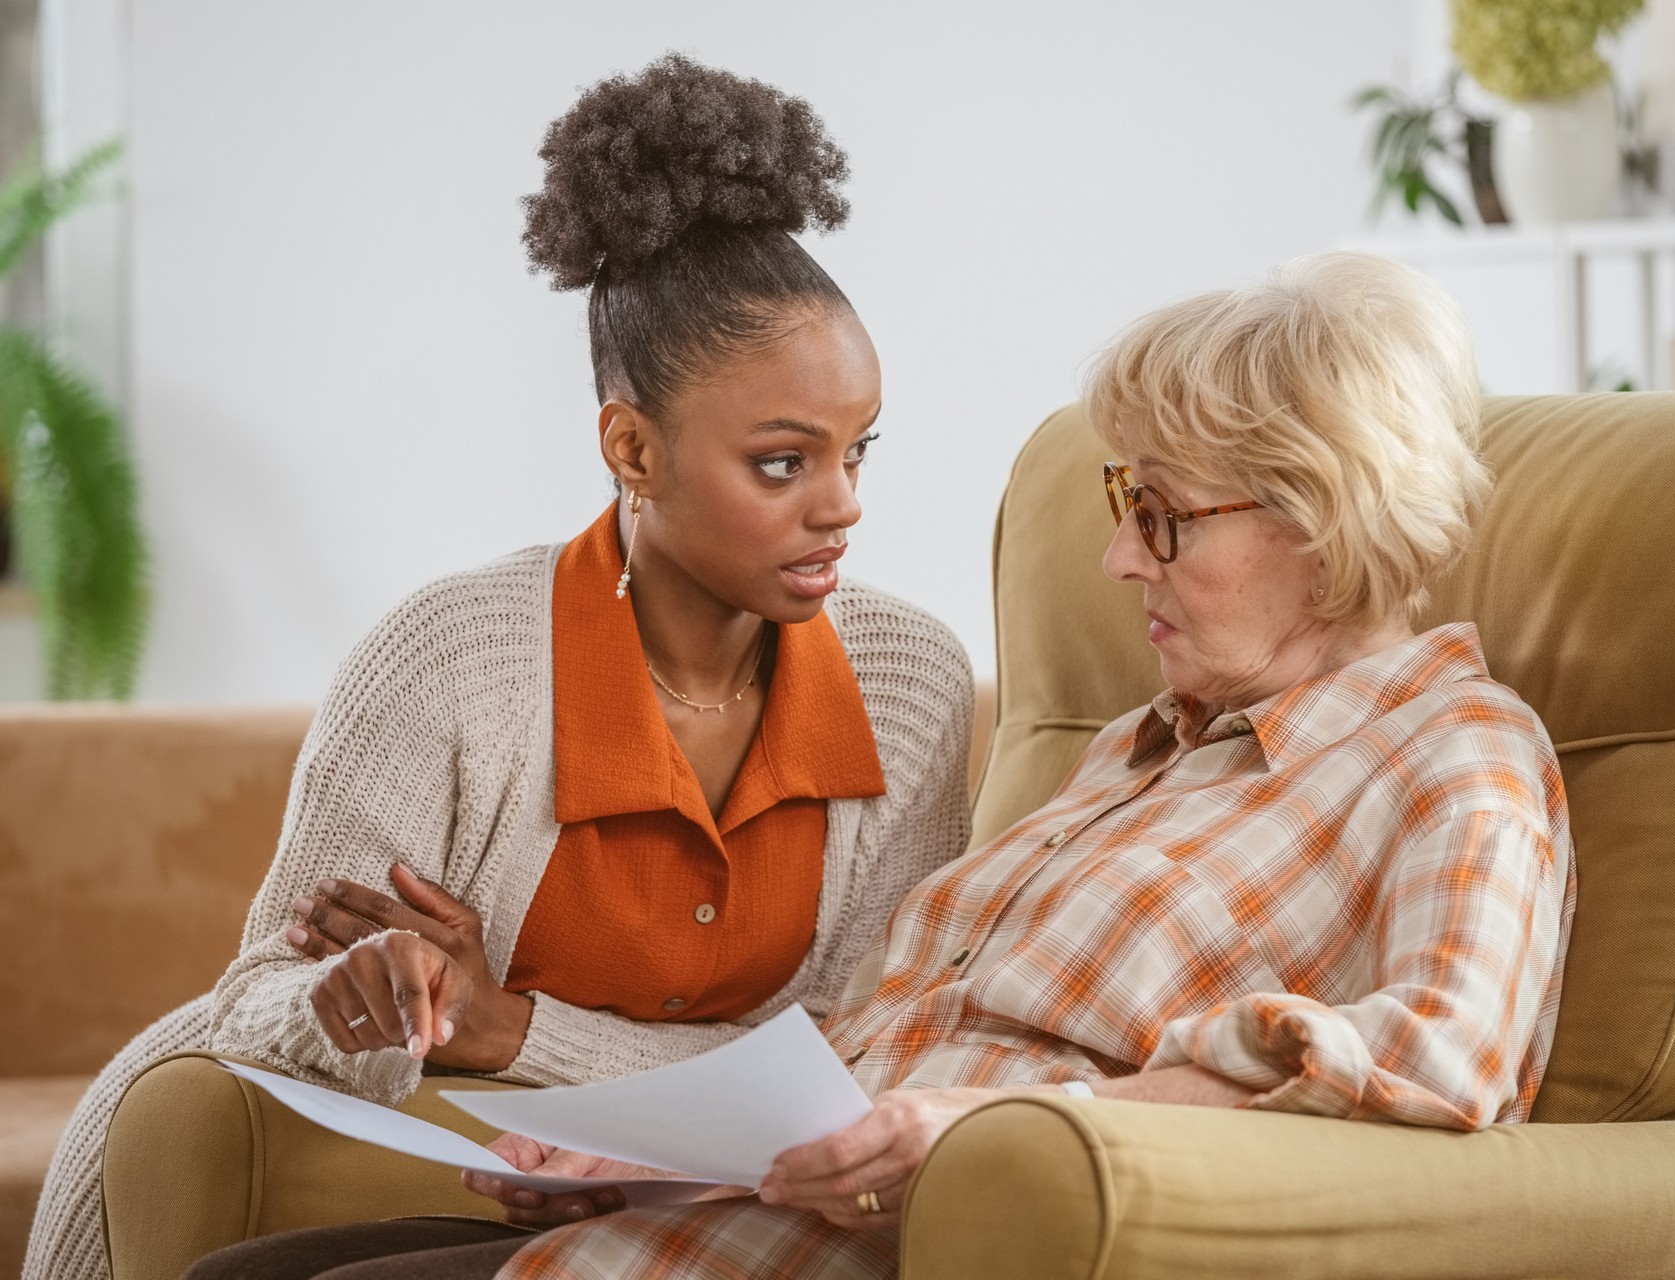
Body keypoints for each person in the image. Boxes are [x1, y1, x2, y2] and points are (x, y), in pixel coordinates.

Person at [190, 250, 1578, 1280]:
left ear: (1325, 520)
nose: (1115, 559)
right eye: (1118, 506)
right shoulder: (1129, 755)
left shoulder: (1455, 757)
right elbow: (866, 1044)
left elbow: (1450, 1063)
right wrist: (654, 1146)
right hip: (725, 1218)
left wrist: (993, 1126)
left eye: (1159, 517)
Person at [24, 55, 974, 1280]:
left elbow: (860, 1050)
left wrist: (513, 1026)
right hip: (414, 1157)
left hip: (713, 1204)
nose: (841, 505)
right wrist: (372, 995)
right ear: (631, 446)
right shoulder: (452, 661)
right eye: (784, 463)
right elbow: (257, 990)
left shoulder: (911, 686)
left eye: (860, 451)